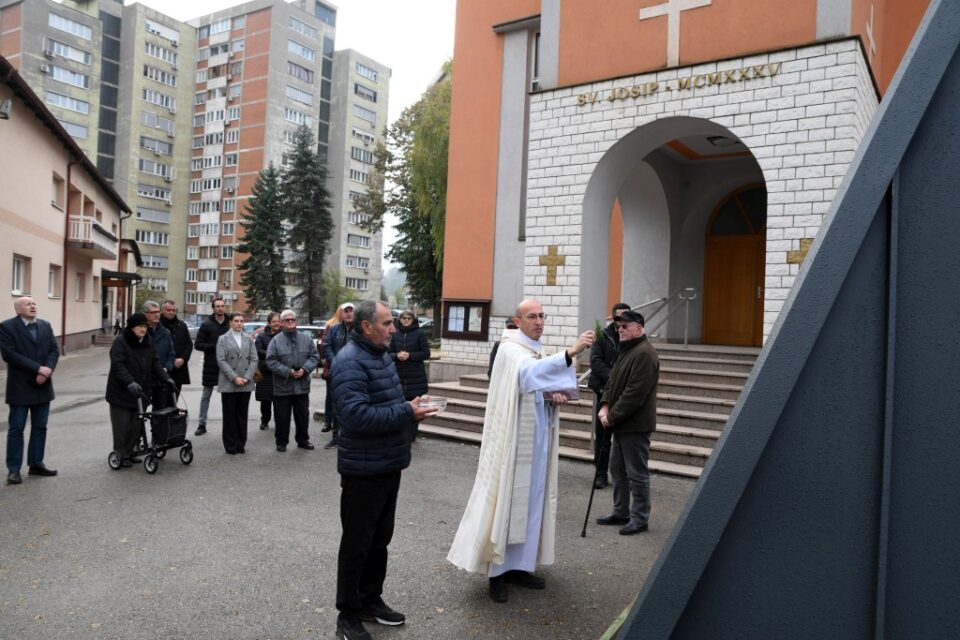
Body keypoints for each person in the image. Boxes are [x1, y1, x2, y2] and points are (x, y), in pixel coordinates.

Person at [447, 299, 595, 603]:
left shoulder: (533, 348)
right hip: (512, 441)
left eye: (542, 316)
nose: (539, 321)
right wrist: (570, 352)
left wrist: (554, 396)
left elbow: (535, 386)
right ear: (517, 321)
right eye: (532, 316)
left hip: (536, 439)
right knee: (508, 502)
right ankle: (497, 573)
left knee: (531, 503)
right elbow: (527, 375)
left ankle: (520, 566)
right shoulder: (510, 348)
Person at [330, 300, 435, 640]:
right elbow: (356, 417)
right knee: (358, 544)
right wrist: (408, 412)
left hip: (388, 464)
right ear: (366, 327)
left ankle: (370, 601)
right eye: (388, 323)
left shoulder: (380, 356)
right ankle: (347, 615)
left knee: (379, 541)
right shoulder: (349, 363)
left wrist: (409, 408)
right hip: (363, 471)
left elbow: (389, 404)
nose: (394, 329)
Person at [596, 309, 660, 536]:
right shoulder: (627, 350)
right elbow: (612, 382)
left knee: (636, 473)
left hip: (635, 424)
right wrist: (604, 405)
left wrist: (611, 416)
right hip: (620, 423)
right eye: (618, 326)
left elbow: (635, 394)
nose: (620, 330)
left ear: (639, 328)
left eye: (625, 326)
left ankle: (640, 518)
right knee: (618, 470)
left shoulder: (644, 353)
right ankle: (621, 511)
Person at [0, 296, 60, 485]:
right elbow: (10, 354)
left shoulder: (45, 325)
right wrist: (37, 369)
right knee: (17, 429)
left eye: (34, 303)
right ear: (18, 309)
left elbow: (53, 350)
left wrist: (47, 369)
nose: (33, 306)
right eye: (28, 304)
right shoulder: (7, 327)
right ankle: (14, 469)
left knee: (40, 427)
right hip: (20, 386)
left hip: (43, 385)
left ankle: (36, 463)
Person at [105, 313, 175, 468]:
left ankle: (130, 452)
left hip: (140, 393)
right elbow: (118, 365)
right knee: (122, 426)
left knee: (137, 426)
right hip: (121, 393)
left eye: (145, 326)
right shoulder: (121, 342)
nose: (143, 329)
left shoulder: (148, 342)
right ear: (131, 328)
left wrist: (165, 377)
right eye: (139, 326)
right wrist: (129, 381)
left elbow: (155, 363)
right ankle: (120, 454)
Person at [587, 302, 632, 489]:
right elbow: (595, 362)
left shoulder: (631, 337)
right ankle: (600, 474)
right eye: (618, 317)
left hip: (624, 395)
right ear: (612, 318)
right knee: (603, 437)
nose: (621, 322)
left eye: (625, 317)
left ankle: (623, 476)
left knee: (624, 437)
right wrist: (614, 380)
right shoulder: (602, 336)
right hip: (604, 392)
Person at [265, 309, 320, 453]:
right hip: (283, 385)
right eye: (287, 320)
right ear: (282, 323)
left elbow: (314, 357)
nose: (290, 322)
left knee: (302, 416)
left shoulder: (306, 339)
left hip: (302, 385)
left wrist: (305, 369)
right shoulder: (276, 341)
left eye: (292, 320)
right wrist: (287, 372)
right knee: (282, 416)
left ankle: (303, 440)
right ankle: (281, 442)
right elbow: (270, 361)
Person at [216, 313, 257, 455]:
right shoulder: (223, 339)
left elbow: (254, 359)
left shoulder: (249, 338)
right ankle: (230, 444)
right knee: (229, 415)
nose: (239, 323)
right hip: (229, 382)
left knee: (242, 414)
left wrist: (246, 377)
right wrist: (234, 377)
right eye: (236, 321)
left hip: (245, 382)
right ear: (231, 323)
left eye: (241, 321)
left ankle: (241, 443)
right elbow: (221, 360)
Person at [193, 297, 229, 436]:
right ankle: (202, 424)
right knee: (206, 396)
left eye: (222, 306)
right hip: (211, 365)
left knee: (228, 397)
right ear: (213, 308)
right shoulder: (207, 325)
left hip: (227, 365)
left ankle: (229, 424)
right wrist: (214, 346)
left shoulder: (230, 323)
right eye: (217, 306)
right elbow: (198, 344)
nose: (220, 308)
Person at [322, 302, 355, 449]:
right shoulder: (334, 329)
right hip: (336, 371)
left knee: (353, 403)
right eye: (345, 311)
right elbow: (327, 345)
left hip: (354, 372)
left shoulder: (361, 330)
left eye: (351, 311)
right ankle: (336, 436)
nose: (348, 314)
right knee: (336, 404)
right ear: (341, 314)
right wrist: (335, 360)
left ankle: (351, 437)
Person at [389, 310, 430, 400]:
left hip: (416, 377)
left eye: (409, 318)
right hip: (399, 376)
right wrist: (397, 356)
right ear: (400, 319)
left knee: (415, 407)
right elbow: (388, 354)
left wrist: (410, 355)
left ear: (413, 320)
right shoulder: (396, 334)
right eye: (404, 318)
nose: (406, 320)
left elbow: (426, 353)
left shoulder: (420, 333)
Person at [143, 300, 175, 408]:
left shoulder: (165, 333)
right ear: (145, 314)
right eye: (153, 312)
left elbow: (171, 354)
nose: (157, 315)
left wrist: (166, 368)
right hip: (144, 379)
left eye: (158, 312)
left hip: (160, 379)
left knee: (160, 414)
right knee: (140, 413)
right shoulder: (140, 332)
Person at [159, 299, 193, 396]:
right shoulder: (157, 325)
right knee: (161, 403)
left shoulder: (181, 325)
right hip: (162, 369)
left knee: (174, 400)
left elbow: (189, 344)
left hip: (179, 369)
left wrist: (183, 359)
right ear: (162, 310)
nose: (171, 312)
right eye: (168, 310)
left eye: (173, 310)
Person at [254, 312, 281, 430]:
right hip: (265, 373)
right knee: (265, 401)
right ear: (269, 323)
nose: (276, 324)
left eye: (278, 321)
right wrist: (273, 354)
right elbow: (258, 351)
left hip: (279, 373)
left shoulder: (284, 335)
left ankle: (279, 421)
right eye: (274, 321)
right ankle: (264, 421)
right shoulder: (261, 336)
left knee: (278, 401)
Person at [319, 306, 344, 434]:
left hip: (346, 367)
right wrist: (330, 360)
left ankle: (339, 425)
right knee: (330, 396)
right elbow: (325, 343)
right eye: (341, 310)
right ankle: (328, 421)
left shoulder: (354, 326)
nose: (344, 313)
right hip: (332, 365)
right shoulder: (331, 324)